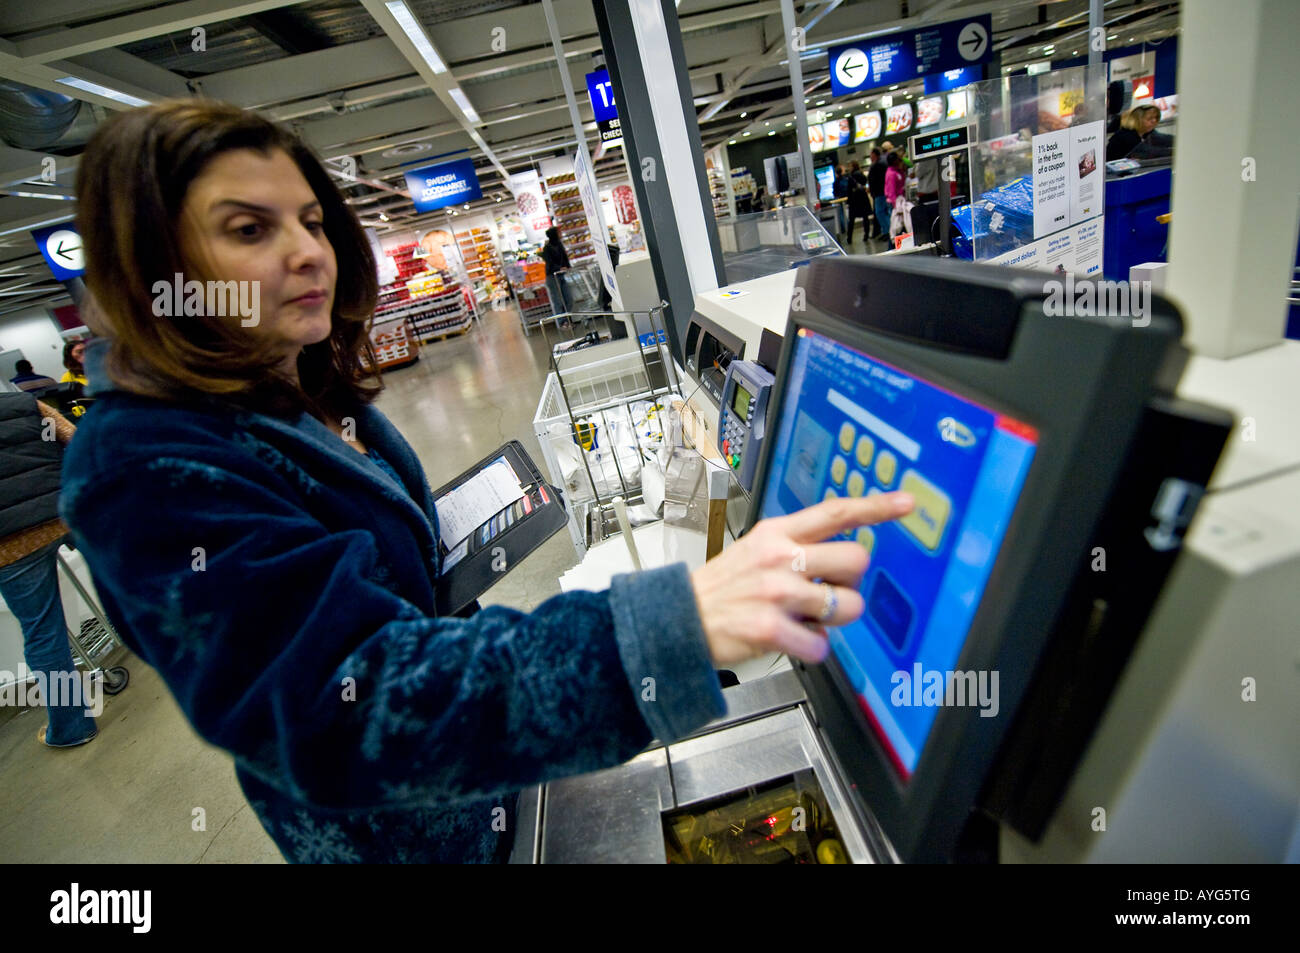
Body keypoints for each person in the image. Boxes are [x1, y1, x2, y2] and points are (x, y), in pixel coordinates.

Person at [63, 100, 915, 864]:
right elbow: (339, 702)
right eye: (249, 230)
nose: (306, 251)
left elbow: (358, 579)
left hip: (482, 793)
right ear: (151, 264)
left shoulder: (286, 387)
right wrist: (667, 628)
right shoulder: (137, 468)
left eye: (312, 221)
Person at [0, 390, 98, 747]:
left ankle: (73, 727)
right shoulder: (22, 404)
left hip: (10, 546)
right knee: (131, 584)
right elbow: (75, 440)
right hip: (66, 512)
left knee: (43, 634)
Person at [1106, 105, 1172, 162]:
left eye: (1156, 118)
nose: (1154, 121)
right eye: (1150, 119)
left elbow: (1164, 139)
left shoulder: (1147, 133)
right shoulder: (1127, 136)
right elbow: (1150, 151)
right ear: (1137, 120)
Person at [540, 226, 571, 319]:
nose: (561, 234)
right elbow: (549, 263)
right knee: (557, 301)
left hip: (561, 275)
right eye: (559, 232)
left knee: (568, 299)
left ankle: (568, 318)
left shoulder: (559, 244)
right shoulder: (547, 248)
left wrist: (567, 266)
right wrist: (560, 268)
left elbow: (565, 257)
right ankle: (562, 321)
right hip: (552, 277)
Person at [845, 161, 872, 246]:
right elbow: (865, 182)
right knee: (865, 217)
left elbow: (849, 189)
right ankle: (866, 235)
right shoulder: (861, 174)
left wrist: (848, 201)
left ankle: (849, 238)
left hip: (854, 200)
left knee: (851, 220)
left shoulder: (851, 176)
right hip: (863, 198)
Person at [869, 146, 892, 246]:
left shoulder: (877, 165)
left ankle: (888, 231)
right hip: (883, 192)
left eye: (871, 154)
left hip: (880, 193)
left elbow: (874, 180)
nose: (870, 156)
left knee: (880, 212)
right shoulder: (883, 163)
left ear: (875, 154)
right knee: (884, 212)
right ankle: (887, 231)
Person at [883, 152, 907, 244]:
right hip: (894, 203)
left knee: (899, 226)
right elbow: (891, 191)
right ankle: (892, 246)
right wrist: (896, 207)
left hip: (899, 202)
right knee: (894, 226)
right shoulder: (891, 174)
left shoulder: (897, 171)